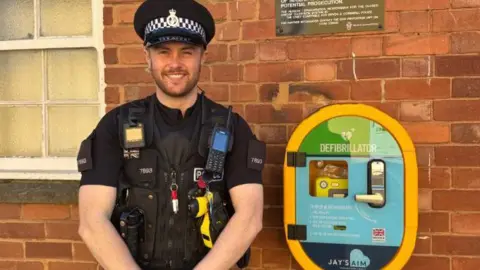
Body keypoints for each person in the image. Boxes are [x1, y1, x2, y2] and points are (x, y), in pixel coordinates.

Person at [76, 0, 266, 269]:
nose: (175, 63)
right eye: (163, 52)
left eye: (187, 52)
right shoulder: (115, 126)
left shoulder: (232, 128)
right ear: (147, 57)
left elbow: (250, 217)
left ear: (203, 56)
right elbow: (92, 221)